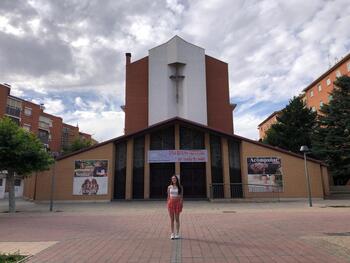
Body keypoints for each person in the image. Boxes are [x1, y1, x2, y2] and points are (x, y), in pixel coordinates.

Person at [167, 175, 183, 240]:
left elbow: (181, 197)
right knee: (172, 219)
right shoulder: (169, 187)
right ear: (171, 180)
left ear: (177, 180)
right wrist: (168, 203)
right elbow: (168, 196)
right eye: (172, 179)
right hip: (171, 203)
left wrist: (181, 203)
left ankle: (177, 234)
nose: (173, 180)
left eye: (175, 179)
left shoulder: (180, 187)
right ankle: (172, 233)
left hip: (177, 203)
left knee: (177, 219)